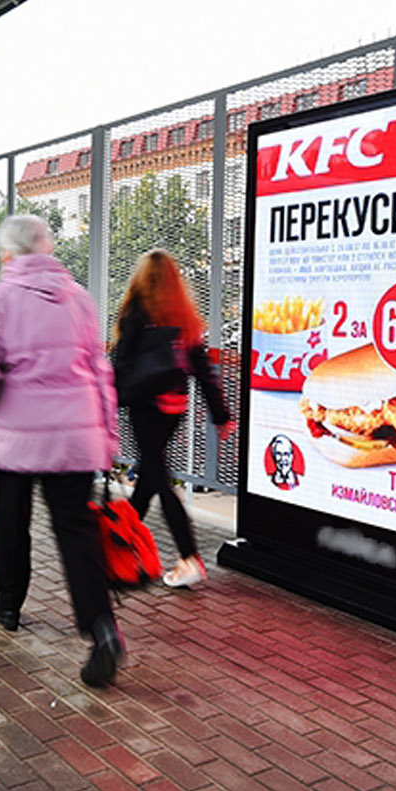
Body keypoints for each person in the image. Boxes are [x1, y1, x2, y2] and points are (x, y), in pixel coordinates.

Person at [0, 214, 124, 687]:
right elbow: (100, 372)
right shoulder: (80, 299)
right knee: (76, 530)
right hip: (75, 435)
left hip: (17, 434)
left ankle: (7, 604)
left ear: (8, 253)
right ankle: (102, 628)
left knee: (11, 516)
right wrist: (107, 435)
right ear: (46, 248)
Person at [112, 250, 234, 589]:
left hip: (144, 406)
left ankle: (189, 556)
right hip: (174, 409)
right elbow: (204, 372)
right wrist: (221, 415)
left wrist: (106, 406)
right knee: (151, 474)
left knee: (158, 479)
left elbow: (120, 366)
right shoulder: (184, 317)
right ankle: (123, 541)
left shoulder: (135, 314)